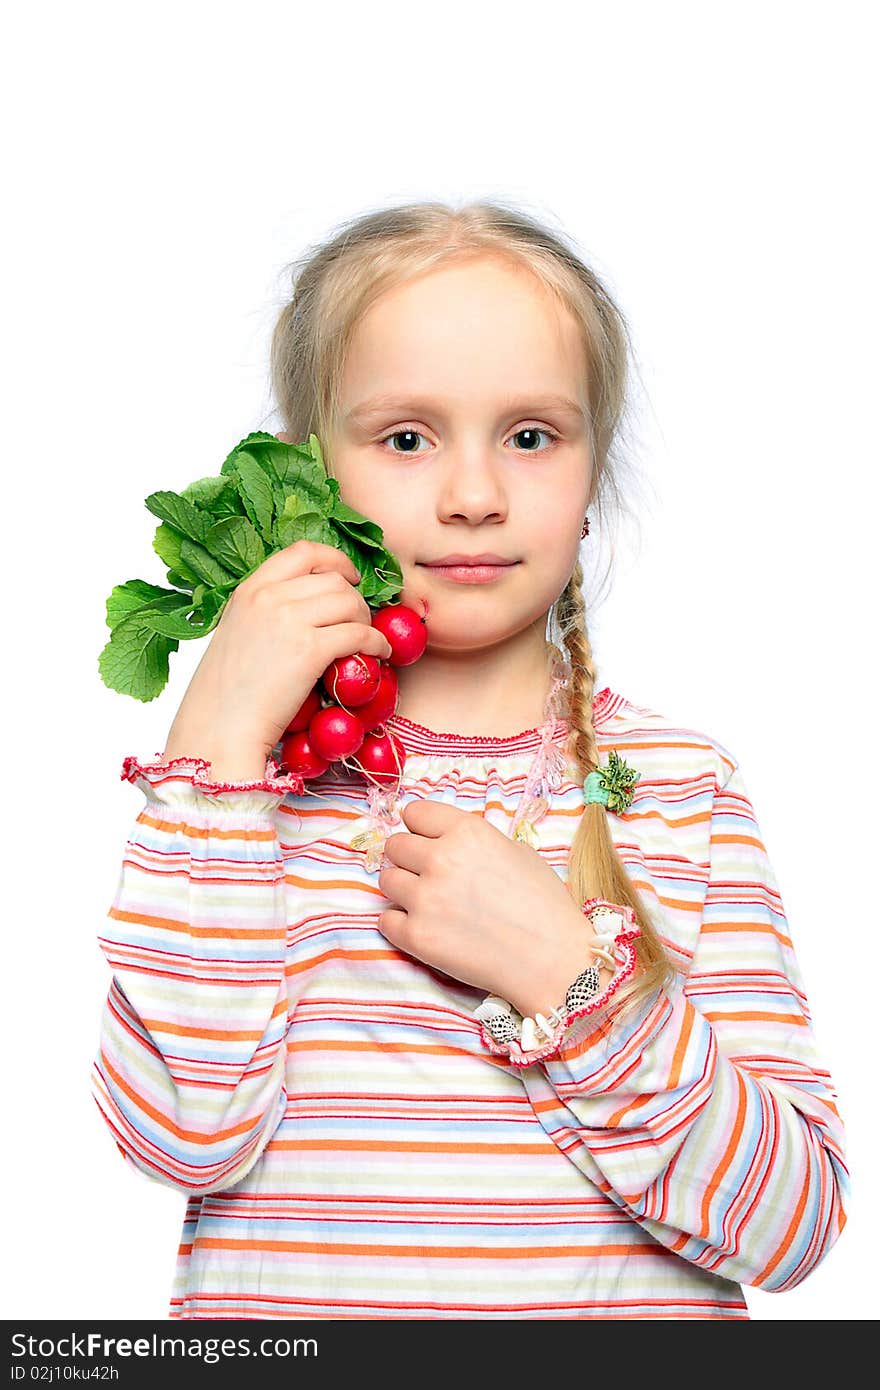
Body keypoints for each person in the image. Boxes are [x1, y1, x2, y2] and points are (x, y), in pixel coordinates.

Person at [90, 199, 849, 1320]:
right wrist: (211, 740)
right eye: (406, 436)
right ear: (309, 474)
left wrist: (569, 979)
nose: (475, 493)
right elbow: (179, 1132)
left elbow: (787, 1225)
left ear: (592, 473)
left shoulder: (682, 792)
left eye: (531, 435)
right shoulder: (242, 797)